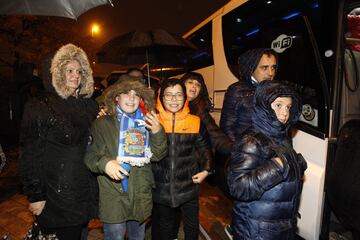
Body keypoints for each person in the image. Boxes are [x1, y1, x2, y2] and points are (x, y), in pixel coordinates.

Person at [19, 43, 99, 240]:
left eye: (79, 71)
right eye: (69, 70)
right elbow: (30, 153)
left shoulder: (88, 105)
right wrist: (35, 195)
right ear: (57, 73)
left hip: (84, 188)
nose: (75, 76)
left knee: (80, 233)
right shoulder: (40, 105)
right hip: (57, 192)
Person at [84, 75, 167, 240]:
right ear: (116, 97)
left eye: (136, 94)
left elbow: (158, 155)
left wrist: (158, 131)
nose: (131, 98)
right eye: (126, 93)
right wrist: (106, 164)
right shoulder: (102, 123)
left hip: (140, 194)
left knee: (137, 237)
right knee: (115, 237)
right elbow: (90, 157)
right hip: (114, 195)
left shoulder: (148, 123)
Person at [227, 80, 307, 240]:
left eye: (288, 107)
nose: (285, 113)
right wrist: (276, 167)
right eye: (278, 105)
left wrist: (297, 166)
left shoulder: (280, 135)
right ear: (264, 105)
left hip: (279, 226)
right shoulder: (251, 141)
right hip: (255, 230)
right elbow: (238, 187)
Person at [151, 78, 213, 240]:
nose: (173, 99)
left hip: (189, 184)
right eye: (168, 95)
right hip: (161, 185)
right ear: (161, 97)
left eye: (178, 95)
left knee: (191, 224)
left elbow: (206, 148)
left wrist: (206, 169)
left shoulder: (195, 122)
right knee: (165, 224)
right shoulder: (152, 121)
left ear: (185, 97)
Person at [220, 48, 278, 141]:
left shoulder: (276, 91)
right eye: (264, 68)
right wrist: (242, 152)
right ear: (252, 68)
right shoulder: (236, 90)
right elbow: (227, 128)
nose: (270, 73)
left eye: (273, 67)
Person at [180, 72, 232, 154]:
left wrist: (235, 150)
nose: (194, 86)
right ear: (181, 85)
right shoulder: (170, 104)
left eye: (198, 85)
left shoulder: (200, 110)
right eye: (190, 82)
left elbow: (216, 136)